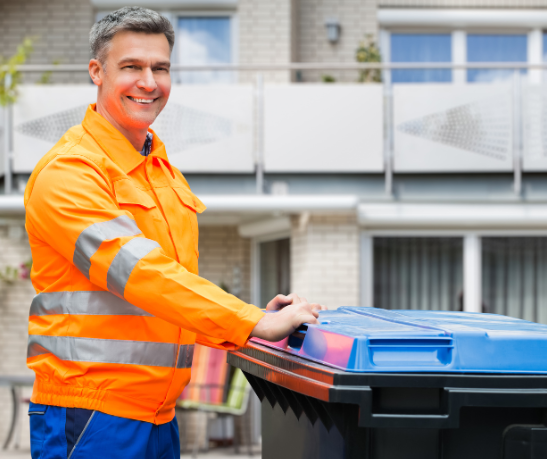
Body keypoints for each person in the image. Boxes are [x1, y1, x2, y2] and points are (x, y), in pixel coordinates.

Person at [23, 7, 323, 459]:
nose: (149, 82)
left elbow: (174, 294)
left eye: (159, 68)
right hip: (91, 416)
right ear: (96, 72)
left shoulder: (161, 173)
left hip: (160, 415)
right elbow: (142, 274)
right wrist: (252, 322)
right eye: (131, 67)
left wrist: (252, 323)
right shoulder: (69, 171)